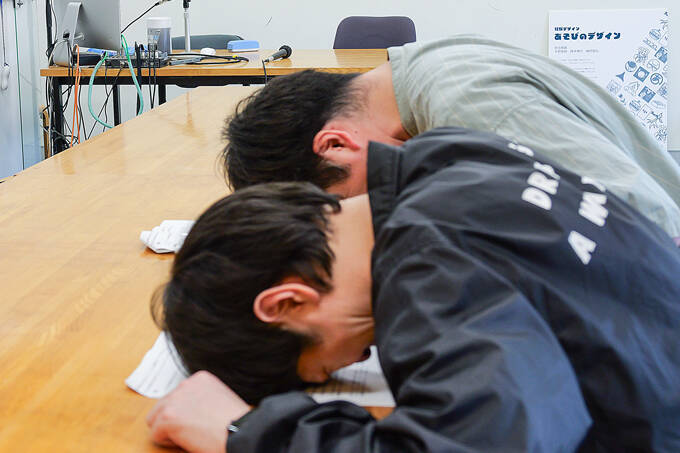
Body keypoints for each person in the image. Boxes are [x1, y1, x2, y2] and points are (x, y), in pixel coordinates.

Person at [148, 128, 680, 453]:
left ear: (287, 302)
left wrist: (243, 432)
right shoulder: (444, 156)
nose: (363, 358)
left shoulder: (428, 268)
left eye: (324, 369)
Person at [224, 35, 680, 237]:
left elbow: (646, 222)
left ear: (336, 145)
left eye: (347, 201)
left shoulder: (466, 104)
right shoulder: (419, 74)